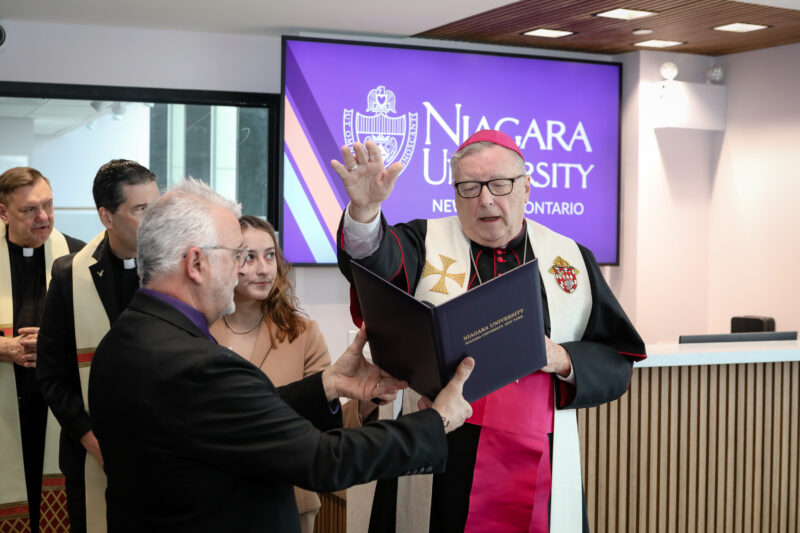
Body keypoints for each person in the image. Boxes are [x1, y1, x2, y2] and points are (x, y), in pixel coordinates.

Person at [87, 178, 475, 533]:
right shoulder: (199, 366)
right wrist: (435, 421)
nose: (244, 268)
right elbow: (324, 460)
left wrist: (328, 383)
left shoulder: (125, 337)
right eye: (237, 254)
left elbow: (229, 418)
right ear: (196, 263)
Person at [331, 129, 647, 533]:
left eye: (499, 184)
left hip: (539, 460)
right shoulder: (424, 241)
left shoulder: (569, 258)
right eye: (469, 187)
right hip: (444, 454)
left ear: (527, 186)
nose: (485, 199)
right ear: (454, 192)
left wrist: (563, 358)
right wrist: (364, 213)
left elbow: (618, 362)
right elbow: (375, 268)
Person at [210, 215, 375, 533]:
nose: (263, 269)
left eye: (270, 255)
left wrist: (368, 400)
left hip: (289, 500)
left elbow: (329, 425)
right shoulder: (198, 330)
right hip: (218, 499)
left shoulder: (301, 333)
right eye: (248, 256)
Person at [37, 160, 160, 533]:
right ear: (107, 217)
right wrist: (91, 439)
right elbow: (53, 375)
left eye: (158, 207)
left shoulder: (177, 268)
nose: (155, 220)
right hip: (90, 451)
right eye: (141, 210)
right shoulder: (68, 275)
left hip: (164, 450)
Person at [0, 167, 84, 532]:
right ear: (3, 213)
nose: (44, 217)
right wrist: (3, 347)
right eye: (29, 210)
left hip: (60, 419)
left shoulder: (81, 261)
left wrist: (53, 345)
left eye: (49, 205)